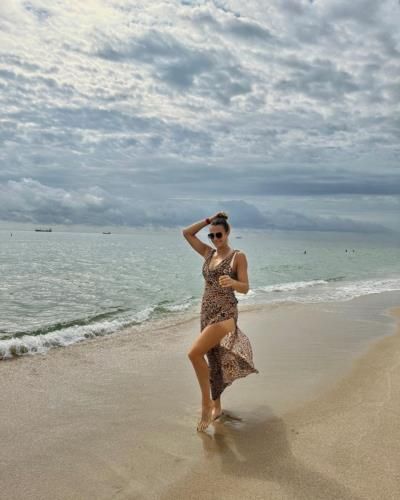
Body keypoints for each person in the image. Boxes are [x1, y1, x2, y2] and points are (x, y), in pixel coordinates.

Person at [182, 212, 259, 431]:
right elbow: (186, 233)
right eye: (212, 236)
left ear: (227, 233)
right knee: (213, 360)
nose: (215, 239)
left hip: (226, 314)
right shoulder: (208, 253)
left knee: (193, 353)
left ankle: (205, 403)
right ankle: (217, 408)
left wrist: (233, 282)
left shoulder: (238, 256)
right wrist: (208, 220)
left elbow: (245, 288)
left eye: (219, 235)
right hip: (206, 313)